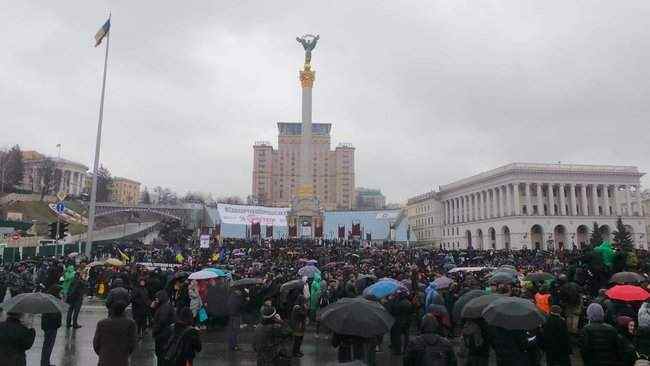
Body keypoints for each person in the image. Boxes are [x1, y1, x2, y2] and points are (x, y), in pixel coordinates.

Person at [93, 301, 137, 366]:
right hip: (122, 359)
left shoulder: (102, 323)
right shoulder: (130, 324)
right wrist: (126, 353)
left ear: (112, 311)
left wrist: (102, 353)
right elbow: (132, 343)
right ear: (123, 311)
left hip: (105, 359)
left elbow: (96, 343)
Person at [153, 290, 176, 366]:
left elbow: (162, 321)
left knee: (161, 357)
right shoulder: (165, 306)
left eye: (157, 297)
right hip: (165, 335)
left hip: (163, 335)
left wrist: (155, 331)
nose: (156, 299)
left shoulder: (164, 307)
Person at [41, 286, 63, 366]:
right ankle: (45, 363)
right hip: (51, 326)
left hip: (47, 325)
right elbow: (55, 315)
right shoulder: (54, 301)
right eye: (60, 292)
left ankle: (45, 362)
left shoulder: (47, 299)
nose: (61, 293)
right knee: (48, 346)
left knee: (47, 345)